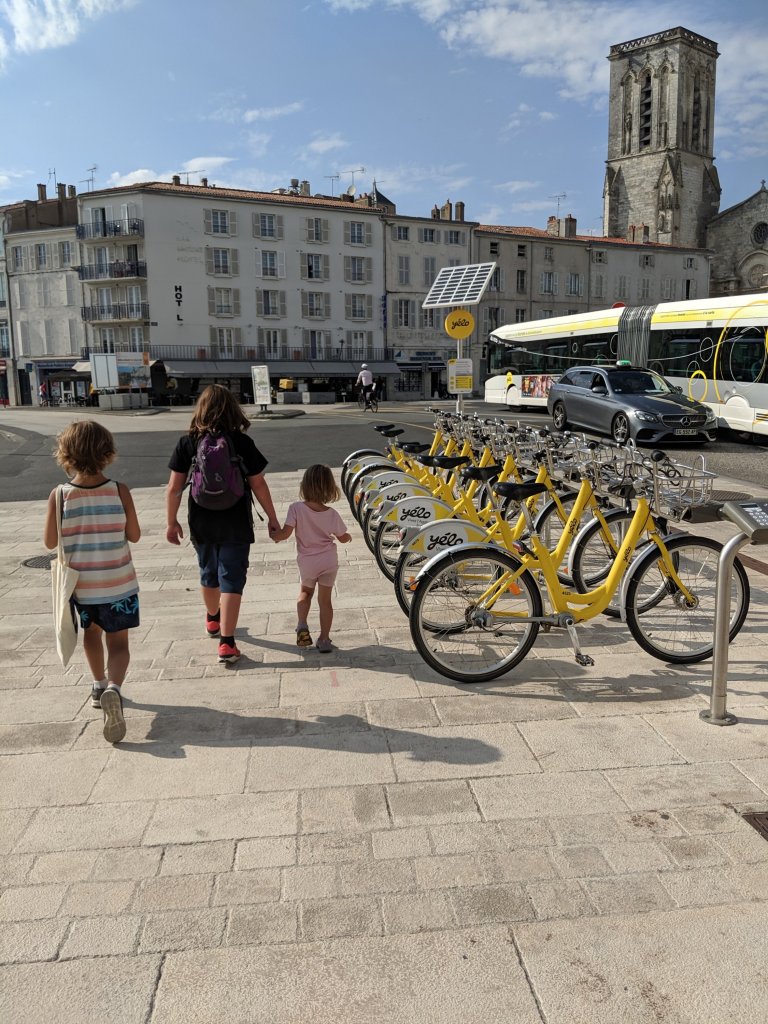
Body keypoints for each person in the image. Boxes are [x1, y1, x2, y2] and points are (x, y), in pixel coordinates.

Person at [165, 384, 280, 664]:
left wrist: (171, 522)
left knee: (208, 571)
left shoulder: (188, 442)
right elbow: (259, 484)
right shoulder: (241, 442)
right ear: (233, 410)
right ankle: (227, 643)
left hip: (201, 518)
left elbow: (174, 488)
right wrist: (272, 518)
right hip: (236, 519)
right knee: (232, 577)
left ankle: (213, 618)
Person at [43, 420, 141, 744]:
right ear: (107, 452)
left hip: (83, 588)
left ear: (66, 454)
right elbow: (134, 535)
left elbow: (49, 542)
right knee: (120, 644)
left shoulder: (59, 495)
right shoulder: (119, 490)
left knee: (91, 634)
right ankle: (115, 687)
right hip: (119, 583)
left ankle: (99, 686)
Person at [271, 464, 351, 653]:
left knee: (305, 592)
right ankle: (324, 639)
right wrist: (347, 537)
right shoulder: (332, 513)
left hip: (308, 562)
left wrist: (275, 535)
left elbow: (285, 534)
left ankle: (302, 624)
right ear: (329, 488)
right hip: (328, 561)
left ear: (304, 485)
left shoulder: (296, 509)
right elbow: (342, 537)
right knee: (325, 601)